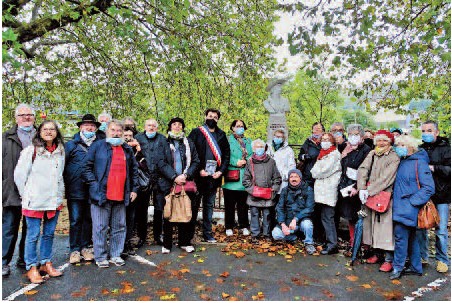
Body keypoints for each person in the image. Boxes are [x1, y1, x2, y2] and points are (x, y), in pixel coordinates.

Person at [14, 120, 65, 283]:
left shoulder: (60, 150)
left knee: (49, 234)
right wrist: (27, 195)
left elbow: (60, 175)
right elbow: (19, 176)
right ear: (39, 132)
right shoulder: (31, 151)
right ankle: (31, 267)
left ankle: (45, 263)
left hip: (53, 200)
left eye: (52, 129)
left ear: (57, 132)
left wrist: (59, 194)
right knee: (33, 235)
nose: (49, 132)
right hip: (35, 201)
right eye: (45, 129)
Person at [83, 120, 138, 268]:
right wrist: (94, 186)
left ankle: (115, 254)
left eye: (119, 131)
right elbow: (87, 168)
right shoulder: (97, 146)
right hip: (101, 195)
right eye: (113, 130)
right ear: (107, 131)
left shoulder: (127, 149)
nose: (116, 133)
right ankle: (100, 256)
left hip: (121, 195)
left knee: (119, 226)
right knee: (100, 227)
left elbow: (134, 171)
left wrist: (134, 189)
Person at [390, 135, 435, 280]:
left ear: (410, 146)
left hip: (408, 207)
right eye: (398, 144)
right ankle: (416, 267)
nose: (399, 147)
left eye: (402, 144)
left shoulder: (419, 162)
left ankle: (397, 267)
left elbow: (429, 188)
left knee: (400, 238)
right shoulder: (403, 161)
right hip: (402, 206)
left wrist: (412, 202)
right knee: (411, 238)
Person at [357, 130, 400, 273]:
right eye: (379, 140)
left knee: (385, 229)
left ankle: (389, 259)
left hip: (384, 195)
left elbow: (386, 179)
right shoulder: (372, 153)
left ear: (390, 142)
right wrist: (361, 187)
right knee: (371, 225)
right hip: (369, 194)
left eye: (385, 141)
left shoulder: (394, 157)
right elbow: (363, 169)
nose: (381, 143)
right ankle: (377, 254)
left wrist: (368, 191)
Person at [157, 117, 200, 253]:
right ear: (170, 127)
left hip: (185, 182)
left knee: (186, 212)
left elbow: (196, 161)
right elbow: (161, 162)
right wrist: (174, 177)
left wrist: (185, 176)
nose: (177, 126)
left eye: (179, 124)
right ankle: (167, 244)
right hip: (168, 183)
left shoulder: (189, 143)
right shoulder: (163, 143)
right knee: (168, 213)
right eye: (174, 124)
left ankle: (184, 242)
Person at [188, 109, 230, 243]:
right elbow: (189, 152)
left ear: (218, 120)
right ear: (205, 116)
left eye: (215, 117)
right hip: (198, 177)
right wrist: (198, 169)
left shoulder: (222, 135)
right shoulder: (196, 132)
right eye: (210, 116)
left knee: (209, 206)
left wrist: (221, 171)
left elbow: (226, 155)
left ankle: (207, 234)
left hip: (213, 178)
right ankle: (189, 235)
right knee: (193, 206)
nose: (212, 118)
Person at [2, 104, 35, 276]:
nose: (26, 118)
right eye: (22, 115)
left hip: (34, 193)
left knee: (30, 229)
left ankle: (24, 259)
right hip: (11, 191)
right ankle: (3, 261)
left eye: (29, 114)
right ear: (16, 118)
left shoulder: (41, 137)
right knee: (9, 228)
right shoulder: (5, 138)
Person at [64, 114, 101, 264]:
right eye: (86, 125)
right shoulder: (71, 145)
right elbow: (62, 167)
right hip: (75, 189)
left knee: (88, 219)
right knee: (75, 220)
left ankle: (85, 247)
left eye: (92, 125)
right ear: (80, 127)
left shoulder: (100, 144)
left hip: (92, 189)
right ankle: (74, 249)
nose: (89, 127)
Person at [416, 120, 451, 273]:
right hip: (424, 194)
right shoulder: (420, 149)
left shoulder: (446, 148)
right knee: (421, 227)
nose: (426, 133)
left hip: (442, 195)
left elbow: (449, 170)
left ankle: (442, 259)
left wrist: (433, 168)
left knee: (441, 230)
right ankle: (423, 256)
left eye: (429, 130)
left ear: (436, 132)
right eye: (424, 131)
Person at [336, 124, 371, 256]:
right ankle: (352, 243)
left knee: (362, 218)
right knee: (350, 217)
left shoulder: (367, 150)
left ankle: (364, 246)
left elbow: (367, 170)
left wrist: (358, 186)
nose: (353, 137)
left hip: (360, 188)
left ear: (361, 136)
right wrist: (344, 154)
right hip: (346, 187)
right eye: (350, 134)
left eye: (356, 134)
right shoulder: (347, 148)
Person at [242, 139, 281, 244]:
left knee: (267, 215)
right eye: (257, 147)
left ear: (265, 148)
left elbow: (277, 178)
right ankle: (255, 235)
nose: (259, 149)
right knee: (254, 214)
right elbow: (246, 180)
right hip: (254, 194)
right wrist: (252, 190)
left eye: (261, 147)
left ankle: (267, 234)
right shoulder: (250, 162)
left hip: (268, 195)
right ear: (253, 149)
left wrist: (274, 189)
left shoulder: (271, 162)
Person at [135, 119, 167, 246]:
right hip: (143, 179)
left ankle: (158, 235)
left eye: (154, 126)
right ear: (145, 126)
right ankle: (141, 236)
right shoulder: (138, 138)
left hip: (159, 179)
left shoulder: (163, 139)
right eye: (149, 125)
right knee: (141, 210)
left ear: (157, 128)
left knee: (159, 209)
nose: (151, 127)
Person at [310, 133, 342, 255]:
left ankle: (332, 244)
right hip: (322, 191)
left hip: (328, 190)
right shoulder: (322, 154)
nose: (325, 141)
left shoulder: (334, 154)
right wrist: (316, 172)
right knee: (324, 217)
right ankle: (328, 241)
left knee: (328, 217)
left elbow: (323, 171)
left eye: (327, 139)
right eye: (323, 139)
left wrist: (316, 173)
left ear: (332, 142)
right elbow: (314, 169)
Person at [272, 169, 315, 254]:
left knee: (307, 225)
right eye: (291, 177)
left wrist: (296, 219)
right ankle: (293, 237)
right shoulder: (285, 190)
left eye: (296, 176)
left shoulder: (308, 189)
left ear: (300, 178)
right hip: (288, 220)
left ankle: (309, 243)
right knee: (276, 234)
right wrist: (282, 224)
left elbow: (309, 208)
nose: (293, 179)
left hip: (302, 220)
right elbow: (280, 208)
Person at [222, 119, 253, 237]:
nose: (240, 128)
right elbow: (224, 156)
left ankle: (243, 225)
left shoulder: (248, 141)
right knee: (229, 205)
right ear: (232, 128)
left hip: (244, 177)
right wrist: (236, 162)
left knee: (243, 205)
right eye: (237, 126)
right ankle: (229, 226)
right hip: (231, 176)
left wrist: (247, 161)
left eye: (242, 126)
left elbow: (251, 154)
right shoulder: (228, 140)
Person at [122, 126, 146, 256]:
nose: (127, 138)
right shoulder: (117, 148)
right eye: (125, 135)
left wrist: (137, 152)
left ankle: (127, 243)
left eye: (130, 135)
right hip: (118, 187)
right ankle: (117, 243)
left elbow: (141, 167)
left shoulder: (137, 151)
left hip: (132, 187)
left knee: (130, 217)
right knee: (119, 218)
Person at [297, 122, 323, 241]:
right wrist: (304, 157)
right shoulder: (307, 142)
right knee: (308, 204)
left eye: (319, 129)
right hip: (308, 177)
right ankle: (307, 232)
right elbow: (300, 155)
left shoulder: (326, 142)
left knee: (319, 207)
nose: (317, 131)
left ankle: (319, 233)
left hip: (321, 179)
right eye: (315, 129)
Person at [267, 128, 296, 230]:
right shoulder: (268, 147)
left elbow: (292, 167)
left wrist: (284, 176)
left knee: (281, 207)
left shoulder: (288, 150)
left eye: (280, 137)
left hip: (282, 183)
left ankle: (280, 227)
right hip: (269, 183)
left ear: (283, 138)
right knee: (269, 208)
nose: (277, 138)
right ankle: (269, 229)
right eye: (276, 136)